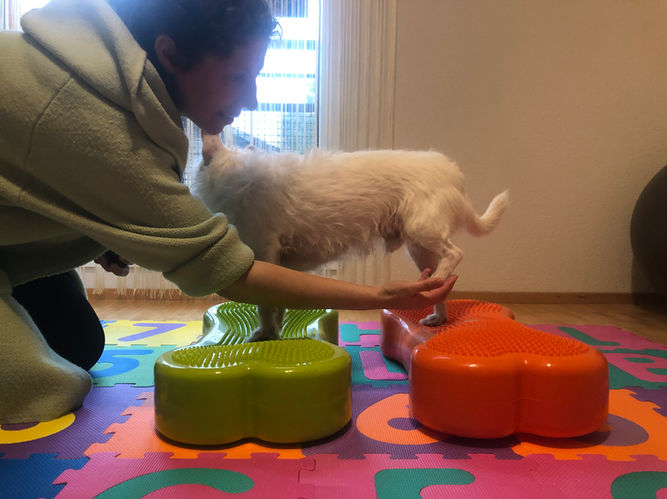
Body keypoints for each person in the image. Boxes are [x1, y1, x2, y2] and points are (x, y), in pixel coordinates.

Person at [0, 0, 457, 424]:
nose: (252, 99)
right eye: (239, 77)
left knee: (78, 341)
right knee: (47, 389)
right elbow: (225, 270)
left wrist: (97, 237)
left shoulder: (126, 92)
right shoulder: (100, 123)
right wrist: (380, 295)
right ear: (170, 53)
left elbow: (56, 182)